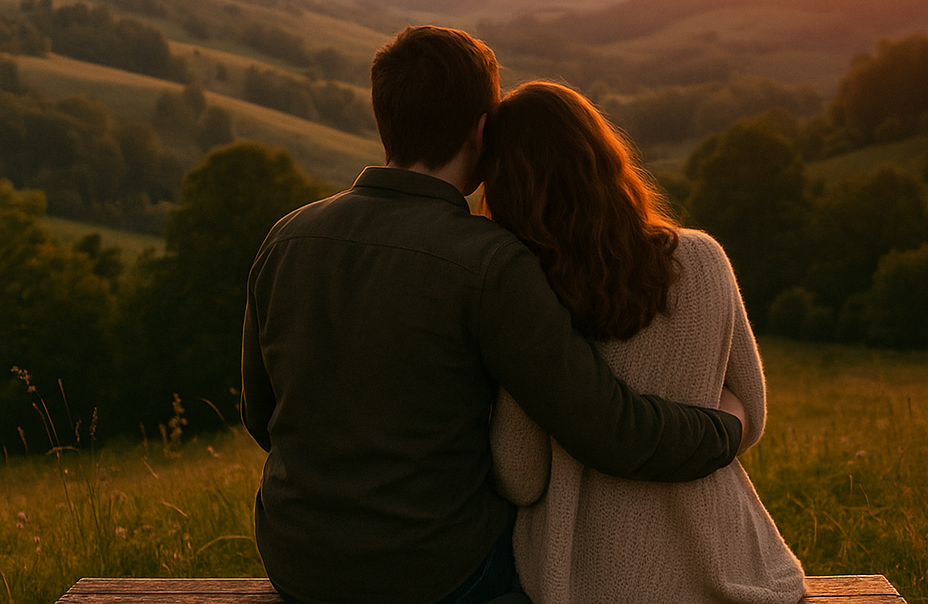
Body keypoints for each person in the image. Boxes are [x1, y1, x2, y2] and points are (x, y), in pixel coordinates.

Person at [240, 26, 748, 604]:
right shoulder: (490, 263)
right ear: (483, 130)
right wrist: (726, 426)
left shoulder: (286, 239)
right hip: (439, 575)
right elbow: (610, 432)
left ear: (386, 120)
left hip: (296, 562)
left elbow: (261, 416)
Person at [484, 81, 806, 604]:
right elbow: (752, 417)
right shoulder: (703, 260)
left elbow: (520, 475)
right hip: (728, 569)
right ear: (603, 157)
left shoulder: (533, 295)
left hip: (589, 582)